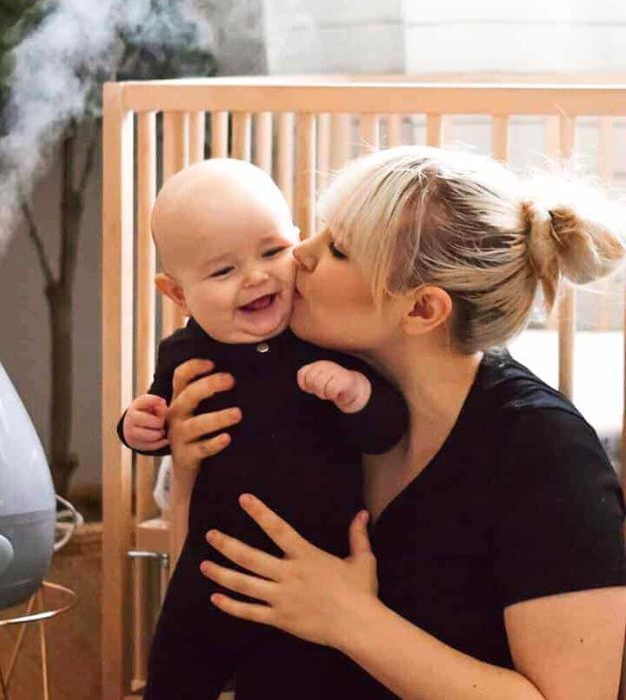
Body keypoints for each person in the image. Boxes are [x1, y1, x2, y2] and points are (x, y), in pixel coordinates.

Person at [164, 146, 626, 698]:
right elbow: (210, 574)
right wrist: (189, 467)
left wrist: (352, 621)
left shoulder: (543, 453)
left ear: (421, 310)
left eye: (337, 249)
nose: (298, 256)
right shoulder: (304, 383)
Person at [116, 158, 409, 698]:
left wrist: (355, 393)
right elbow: (157, 414)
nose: (256, 277)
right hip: (213, 566)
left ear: (297, 244)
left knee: (289, 680)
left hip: (316, 569)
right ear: (177, 294)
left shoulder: (323, 337)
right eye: (223, 271)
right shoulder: (185, 351)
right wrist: (140, 424)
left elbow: (386, 428)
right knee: (176, 670)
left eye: (272, 251)